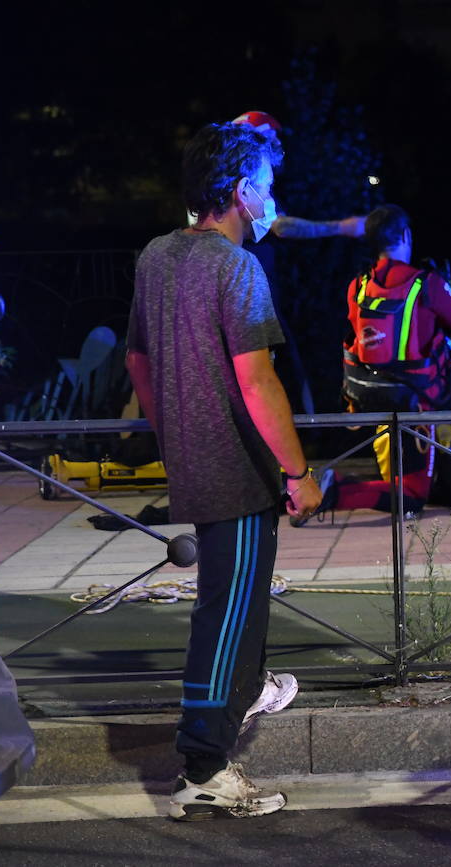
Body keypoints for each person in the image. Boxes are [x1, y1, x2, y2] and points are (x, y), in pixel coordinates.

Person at [126, 122, 322, 819]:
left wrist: (171, 430)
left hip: (193, 460)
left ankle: (243, 692)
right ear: (241, 191)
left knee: (230, 607)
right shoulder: (237, 268)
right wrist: (298, 470)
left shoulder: (156, 257)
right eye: (267, 185)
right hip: (238, 470)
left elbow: (138, 362)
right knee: (226, 614)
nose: (272, 198)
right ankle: (204, 763)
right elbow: (258, 378)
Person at [293, 204, 451, 524]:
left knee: (409, 481)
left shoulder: (359, 286)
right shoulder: (427, 283)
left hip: (372, 401)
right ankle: (332, 491)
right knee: (410, 497)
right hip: (416, 404)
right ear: (406, 236)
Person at [228, 110, 368, 416]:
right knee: (279, 371)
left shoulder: (229, 179)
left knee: (279, 370)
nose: (278, 145)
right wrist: (344, 227)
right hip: (249, 296)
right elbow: (280, 226)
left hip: (251, 292)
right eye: (272, 138)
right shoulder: (243, 181)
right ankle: (290, 456)